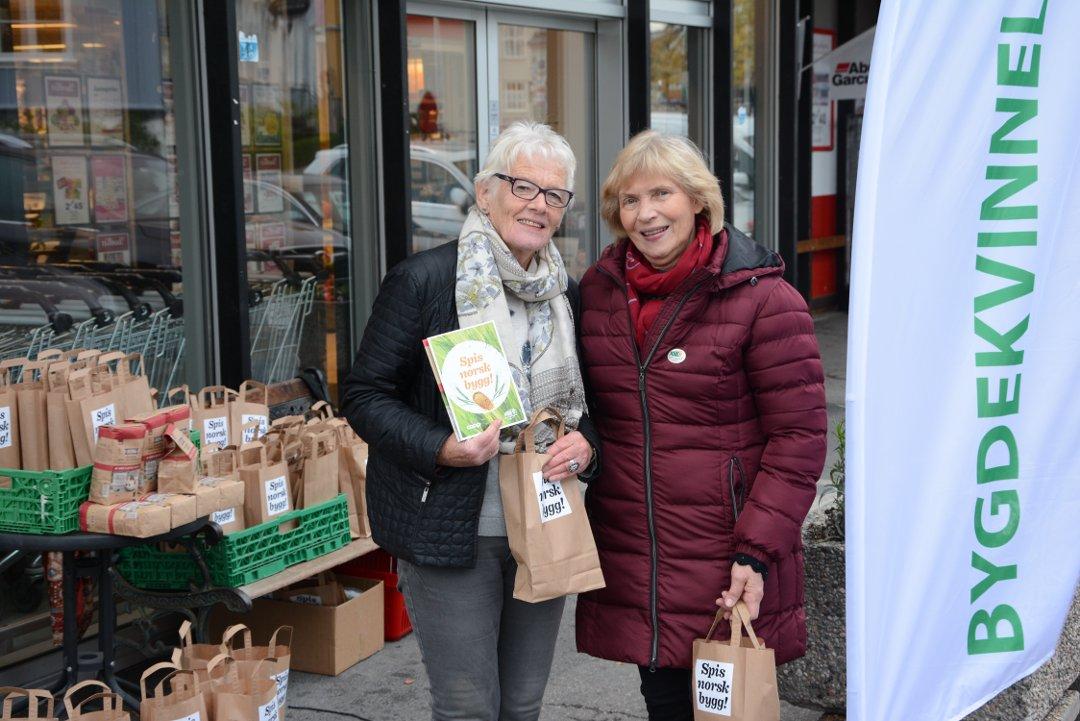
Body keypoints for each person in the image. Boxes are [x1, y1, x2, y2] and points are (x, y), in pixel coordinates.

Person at [341, 121, 600, 721]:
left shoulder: (567, 294)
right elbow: (364, 394)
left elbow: (595, 411)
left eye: (554, 195)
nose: (538, 205)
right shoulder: (426, 281)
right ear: (486, 192)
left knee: (525, 702)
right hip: (452, 527)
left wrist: (586, 447)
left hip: (544, 514)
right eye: (523, 186)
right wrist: (440, 447)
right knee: (467, 706)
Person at [575, 130, 826, 720]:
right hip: (642, 559)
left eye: (661, 193)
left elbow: (799, 440)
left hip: (728, 560)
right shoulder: (599, 293)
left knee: (727, 712)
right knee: (663, 705)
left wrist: (757, 552)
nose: (646, 213)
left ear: (697, 201)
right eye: (630, 201)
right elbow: (588, 409)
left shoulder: (765, 299)